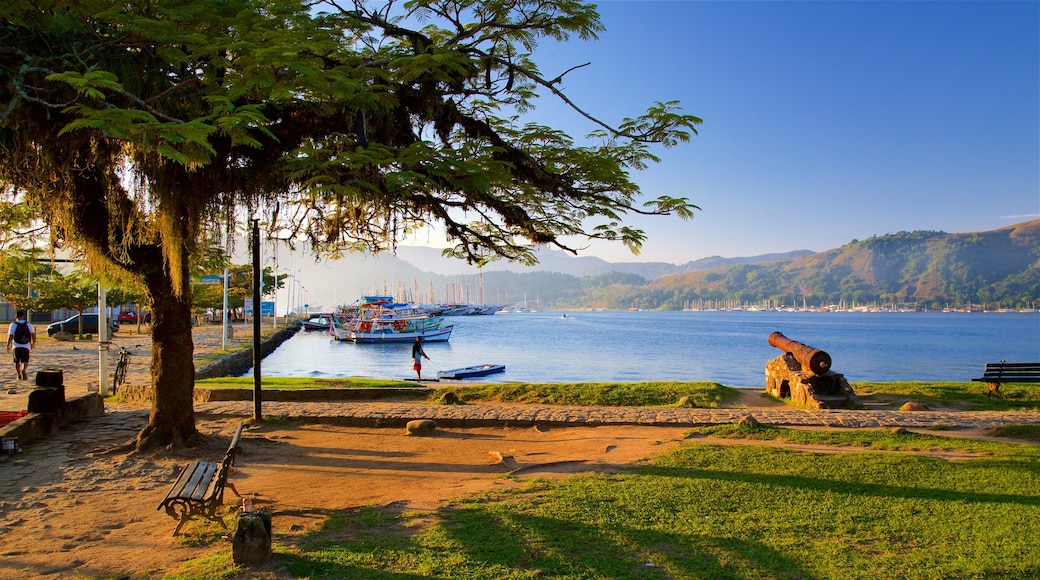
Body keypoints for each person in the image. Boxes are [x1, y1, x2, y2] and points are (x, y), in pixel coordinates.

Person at [6, 310, 37, 381]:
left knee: (16, 361)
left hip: (16, 345)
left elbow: (10, 336)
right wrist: (33, 343)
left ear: (16, 317)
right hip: (26, 345)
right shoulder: (28, 324)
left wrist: (8, 345)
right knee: (25, 360)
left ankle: (18, 374)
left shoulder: (13, 324)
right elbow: (32, 334)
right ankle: (24, 369)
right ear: (23, 316)